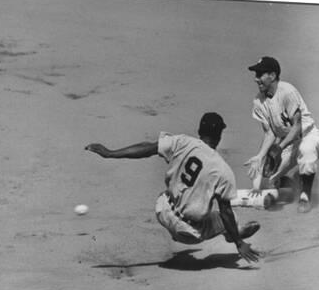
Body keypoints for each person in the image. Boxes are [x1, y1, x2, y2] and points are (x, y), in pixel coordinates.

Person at [85, 112, 261, 263]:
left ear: (199, 131)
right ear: (219, 136)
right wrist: (240, 244)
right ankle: (234, 234)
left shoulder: (182, 141)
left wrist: (110, 153)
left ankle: (231, 233)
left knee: (176, 193)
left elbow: (147, 148)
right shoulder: (223, 170)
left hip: (162, 210)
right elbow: (226, 211)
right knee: (228, 217)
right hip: (188, 232)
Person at [243, 56, 319, 213]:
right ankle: (293, 186)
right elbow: (269, 134)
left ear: (272, 76)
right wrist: (260, 156)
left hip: (309, 136)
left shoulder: (287, 91)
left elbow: (297, 127)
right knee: (269, 181)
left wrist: (279, 148)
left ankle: (305, 196)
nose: (256, 79)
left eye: (260, 74)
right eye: (256, 75)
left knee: (306, 150)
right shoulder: (258, 102)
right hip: (289, 144)